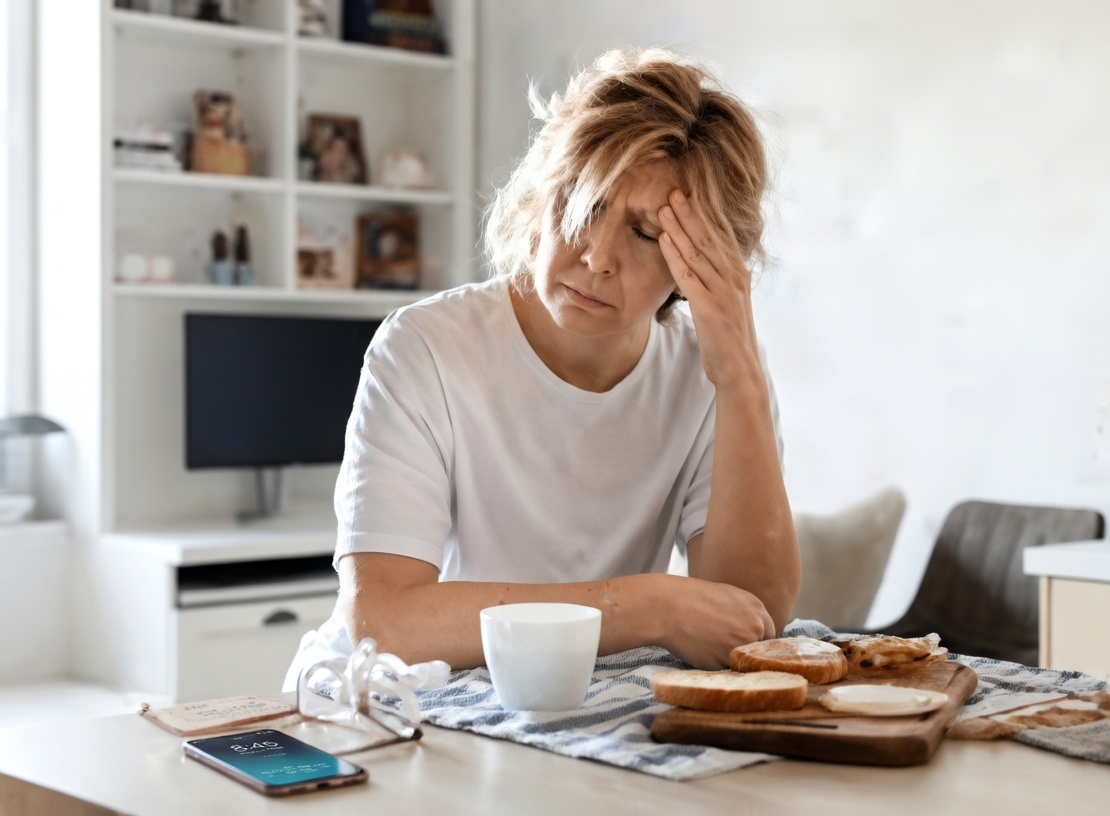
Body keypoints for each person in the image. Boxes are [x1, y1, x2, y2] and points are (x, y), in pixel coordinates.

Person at [284, 47, 799, 684]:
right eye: (583, 205)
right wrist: (648, 604)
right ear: (540, 194)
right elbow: (385, 623)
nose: (597, 257)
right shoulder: (424, 348)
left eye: (644, 234)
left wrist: (741, 381)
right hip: (396, 695)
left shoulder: (714, 373)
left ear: (702, 259)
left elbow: (753, 619)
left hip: (584, 696)